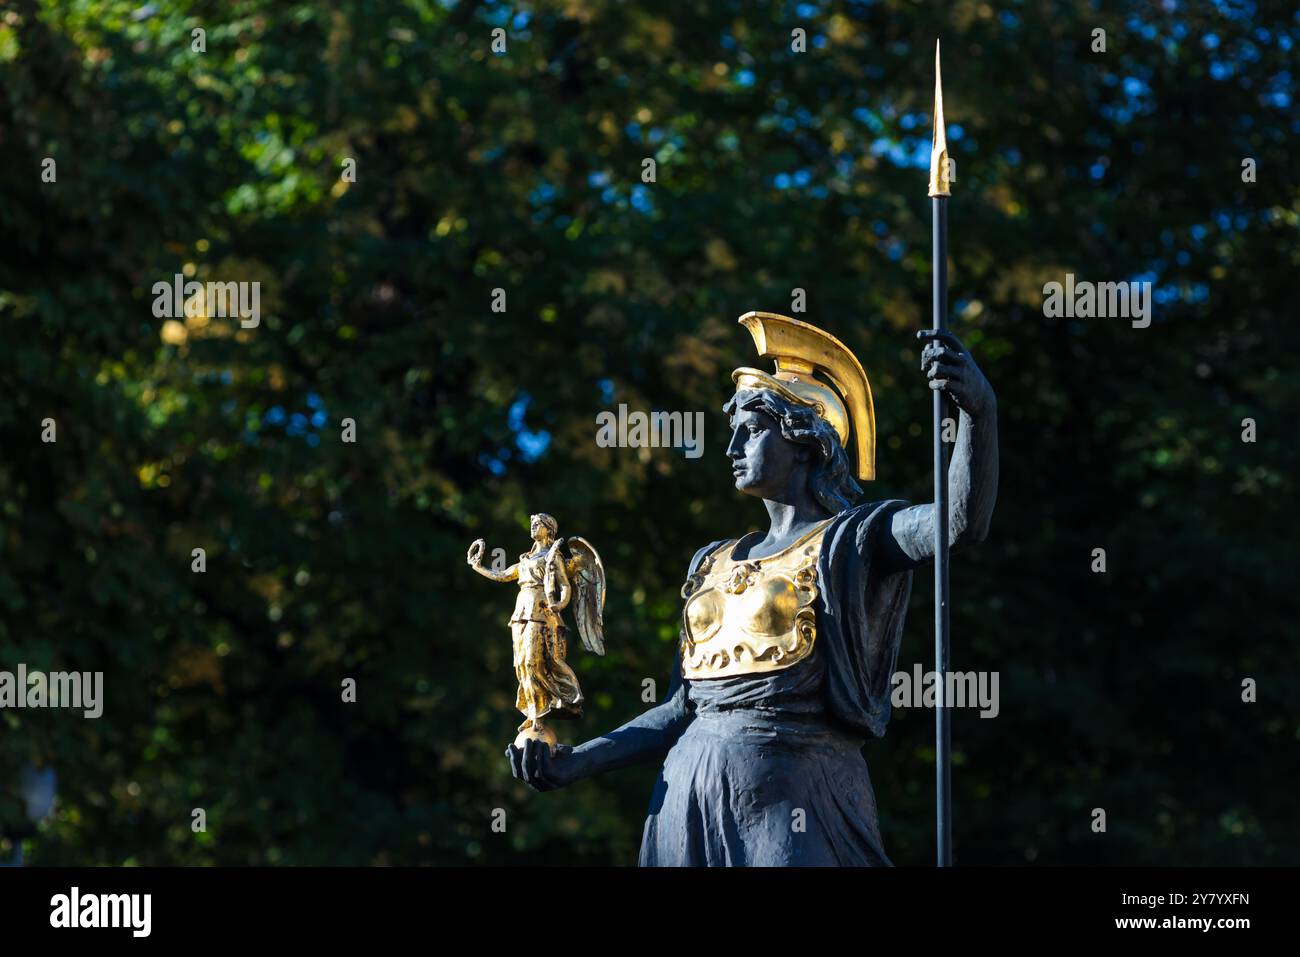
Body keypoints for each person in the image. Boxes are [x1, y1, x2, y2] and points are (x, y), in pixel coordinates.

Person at [507, 312, 998, 866]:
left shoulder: (853, 541)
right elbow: (678, 710)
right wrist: (577, 761)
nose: (732, 446)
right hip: (683, 806)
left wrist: (977, 411)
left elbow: (958, 523)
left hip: (793, 800)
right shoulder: (711, 561)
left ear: (805, 439)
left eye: (752, 429)